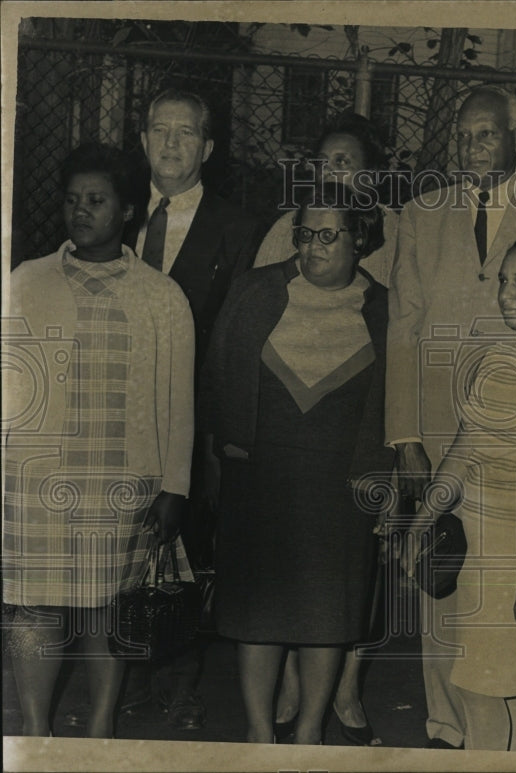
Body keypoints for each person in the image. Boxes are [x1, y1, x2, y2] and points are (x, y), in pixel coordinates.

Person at [386, 85, 516, 750]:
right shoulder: (421, 213)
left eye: (485, 134)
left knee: (506, 623)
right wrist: (406, 433)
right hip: (450, 433)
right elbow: (403, 325)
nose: (470, 146)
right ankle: (448, 728)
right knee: (440, 581)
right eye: (462, 135)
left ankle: (494, 734)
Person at [3, 143, 195, 738]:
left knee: (106, 604)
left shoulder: (161, 296)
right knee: (36, 602)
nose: (80, 212)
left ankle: (100, 730)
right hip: (37, 478)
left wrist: (174, 487)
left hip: (122, 480)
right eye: (71, 200)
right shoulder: (25, 282)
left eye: (96, 200)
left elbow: (179, 402)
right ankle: (35, 733)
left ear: (129, 211)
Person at [200, 181, 394, 745]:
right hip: (260, 478)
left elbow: (396, 402)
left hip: (342, 487)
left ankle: (309, 733)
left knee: (326, 613)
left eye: (329, 235)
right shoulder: (254, 292)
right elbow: (216, 385)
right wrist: (219, 465)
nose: (313, 246)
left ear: (360, 237)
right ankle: (261, 738)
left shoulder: (383, 308)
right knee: (257, 613)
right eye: (305, 233)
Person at [114, 86, 264, 731]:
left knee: (186, 550)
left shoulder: (238, 228)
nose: (170, 143)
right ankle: (124, 673)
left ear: (207, 147)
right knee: (117, 545)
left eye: (185, 133)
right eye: (158, 129)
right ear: (142, 138)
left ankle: (181, 680)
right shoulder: (112, 212)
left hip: (196, 420)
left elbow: (239, 339)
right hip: (116, 414)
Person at [254, 113, 397, 740]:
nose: (335, 172)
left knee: (351, 567)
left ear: (373, 171)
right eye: (326, 161)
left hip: (355, 414)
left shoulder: (398, 239)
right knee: (291, 565)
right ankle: (289, 678)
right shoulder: (287, 232)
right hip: (295, 419)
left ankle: (346, 683)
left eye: (348, 161)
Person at [254, 111, 396, 288]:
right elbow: (258, 292)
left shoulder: (396, 234)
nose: (327, 171)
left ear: (371, 175)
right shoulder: (286, 227)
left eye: (341, 162)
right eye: (321, 163)